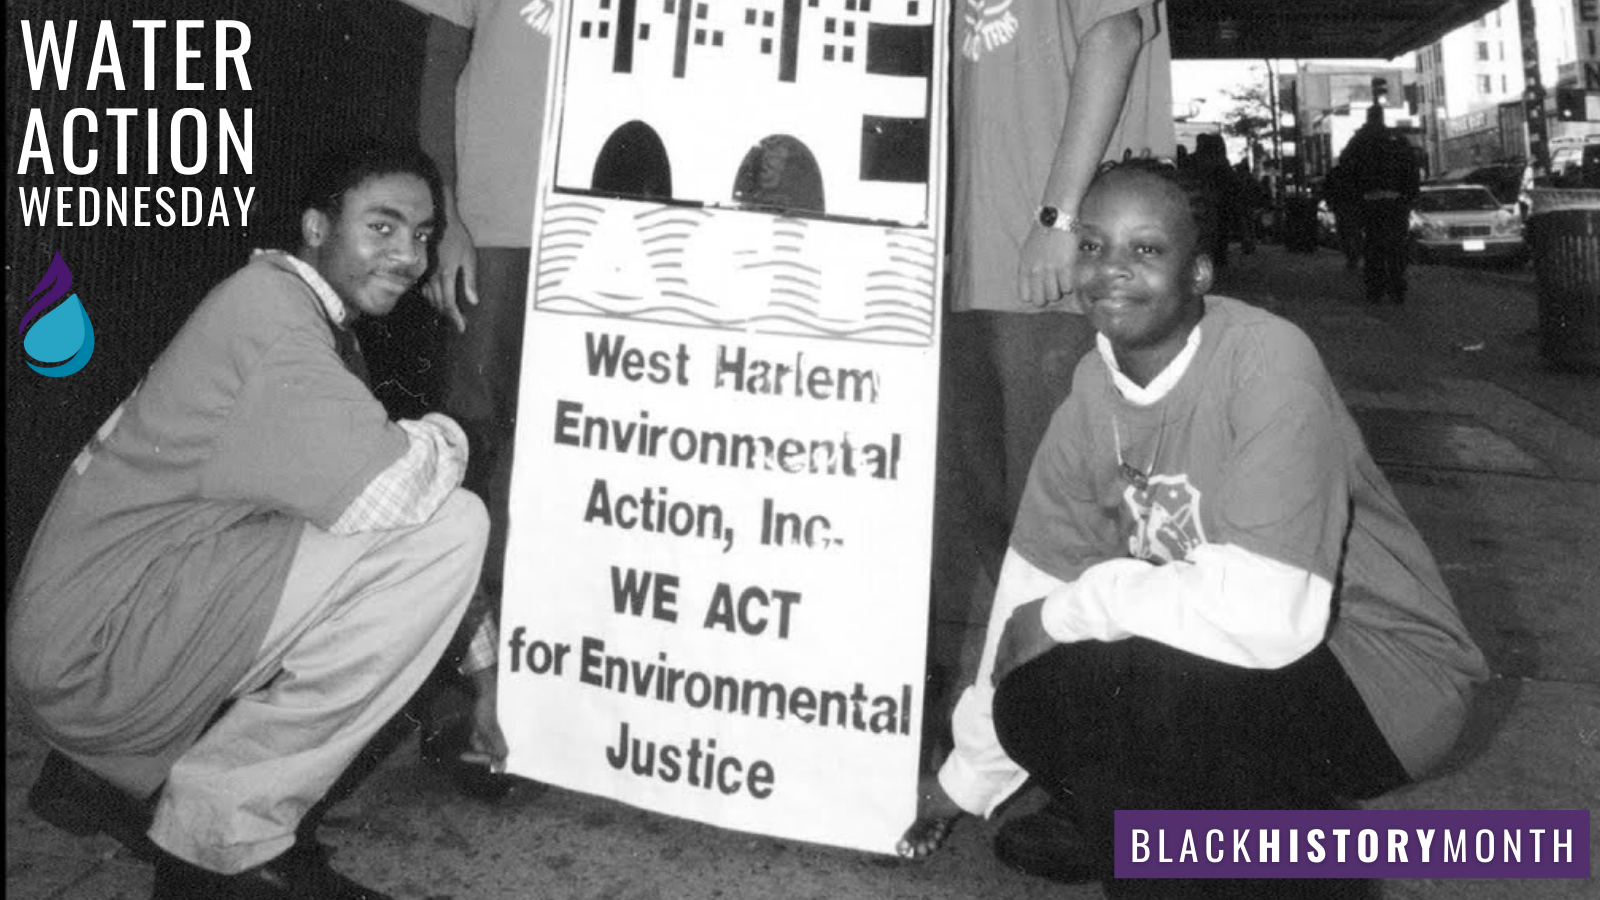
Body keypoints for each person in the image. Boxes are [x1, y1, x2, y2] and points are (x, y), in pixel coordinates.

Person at [899, 160, 1487, 898]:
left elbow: (1270, 615)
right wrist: (958, 786)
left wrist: (1080, 607)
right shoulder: (1093, 393)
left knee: (1118, 696)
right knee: (1036, 701)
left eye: (1146, 250)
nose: (1111, 270)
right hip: (1241, 676)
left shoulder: (1268, 359)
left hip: (1384, 681)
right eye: (1092, 245)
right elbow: (1026, 603)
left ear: (1200, 272)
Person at [9, 140, 490, 900]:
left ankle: (127, 780)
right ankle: (219, 840)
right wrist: (456, 430)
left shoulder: (278, 300)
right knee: (450, 526)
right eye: (383, 227)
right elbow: (400, 496)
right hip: (95, 658)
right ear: (315, 227)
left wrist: (482, 669)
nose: (409, 256)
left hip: (88, 639)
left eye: (424, 234)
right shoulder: (276, 324)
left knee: (385, 528)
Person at [932, 0, 1175, 761]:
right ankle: (1026, 744)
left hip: (1057, 268)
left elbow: (1114, 32)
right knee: (1002, 526)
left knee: (1066, 542)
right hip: (975, 263)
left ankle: (1082, 762)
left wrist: (1060, 216)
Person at [394, 0, 555, 791]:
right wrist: (443, 216)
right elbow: (436, 65)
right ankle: (466, 691)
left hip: (596, 227)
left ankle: (552, 688)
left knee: (567, 457)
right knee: (474, 450)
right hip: (489, 226)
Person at [1339, 104, 1420, 303]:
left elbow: (1345, 169)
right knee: (1396, 245)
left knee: (1373, 245)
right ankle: (1396, 286)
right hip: (1396, 201)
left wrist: (1354, 198)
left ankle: (1376, 287)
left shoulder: (1359, 141)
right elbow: (1411, 169)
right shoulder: (1397, 141)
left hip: (1370, 202)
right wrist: (1408, 197)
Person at [1323, 160, 1363, 270]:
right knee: (1354, 231)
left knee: (1343, 232)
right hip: (1353, 205)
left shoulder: (1334, 173)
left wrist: (1330, 202)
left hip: (1340, 205)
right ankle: (1355, 255)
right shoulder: (1356, 173)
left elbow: (1327, 188)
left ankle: (1351, 256)